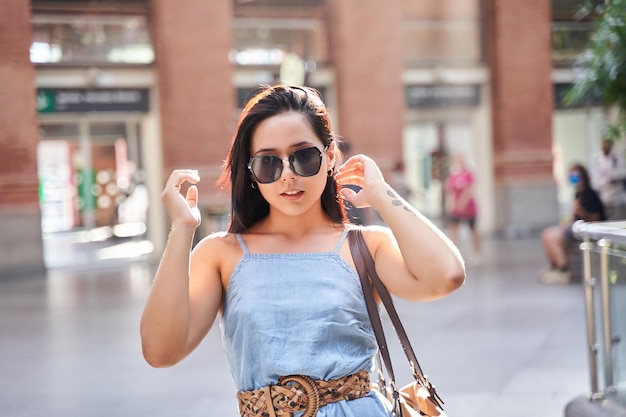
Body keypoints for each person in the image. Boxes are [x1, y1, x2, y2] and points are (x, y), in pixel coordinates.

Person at [139, 85, 466, 417]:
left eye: (304, 156)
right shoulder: (221, 254)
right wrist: (182, 229)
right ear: (252, 174)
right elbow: (160, 351)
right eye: (269, 163)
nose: (288, 175)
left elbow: (446, 275)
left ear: (330, 158)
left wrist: (383, 196)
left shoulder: (365, 246)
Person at [540, 164, 606, 285]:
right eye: (571, 175)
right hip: (576, 227)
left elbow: (595, 219)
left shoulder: (589, 194)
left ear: (583, 176)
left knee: (553, 237)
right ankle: (554, 267)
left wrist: (580, 212)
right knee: (547, 233)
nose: (573, 178)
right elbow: (574, 217)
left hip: (586, 230)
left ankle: (563, 269)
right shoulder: (578, 194)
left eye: (575, 175)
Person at [445, 153, 481, 264]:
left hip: (469, 208)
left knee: (473, 230)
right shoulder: (453, 175)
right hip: (456, 208)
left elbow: (469, 191)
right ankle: (454, 254)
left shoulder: (468, 174)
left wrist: (462, 203)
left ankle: (477, 253)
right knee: (454, 230)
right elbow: (448, 190)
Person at [589, 138, 625, 220]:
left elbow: (621, 174)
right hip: (604, 199)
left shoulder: (616, 159)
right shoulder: (598, 160)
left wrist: (613, 178)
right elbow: (596, 179)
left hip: (617, 200)